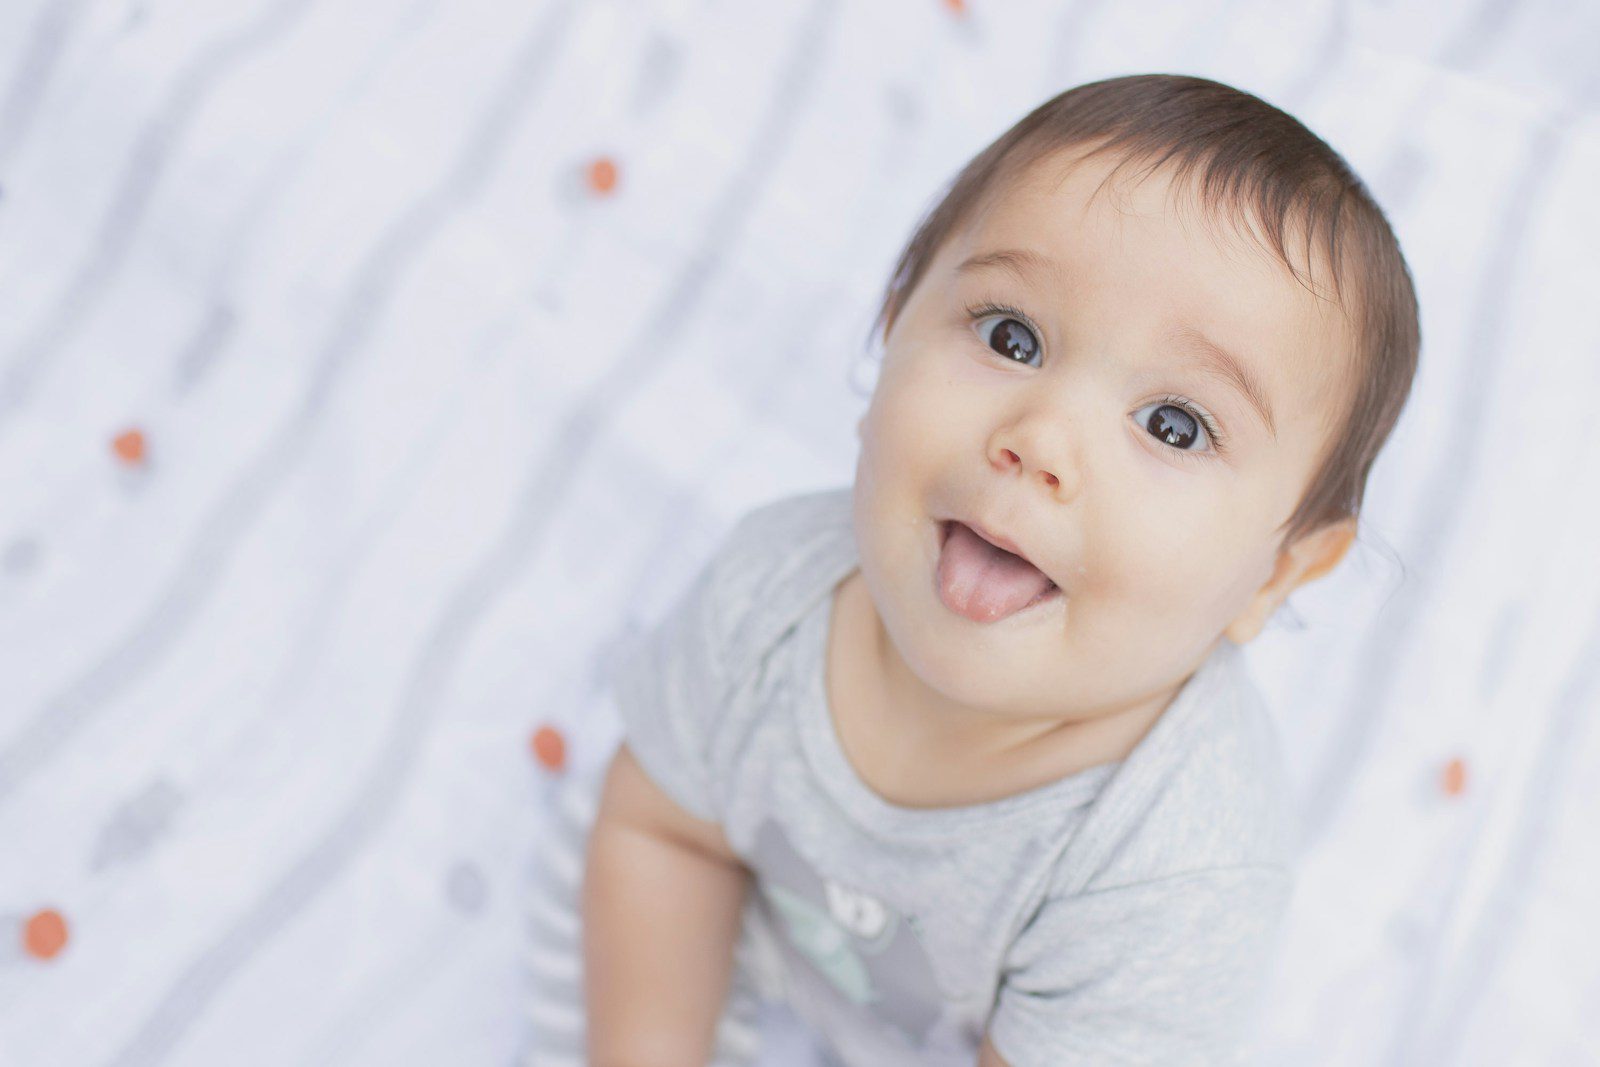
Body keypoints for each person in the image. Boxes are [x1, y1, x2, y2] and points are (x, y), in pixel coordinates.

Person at [575, 72, 1421, 1066]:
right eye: (1010, 336)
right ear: (892, 332)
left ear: (1275, 574)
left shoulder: (1177, 864)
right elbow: (661, 831)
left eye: (1172, 424)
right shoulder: (769, 597)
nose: (1041, 438)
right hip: (740, 939)